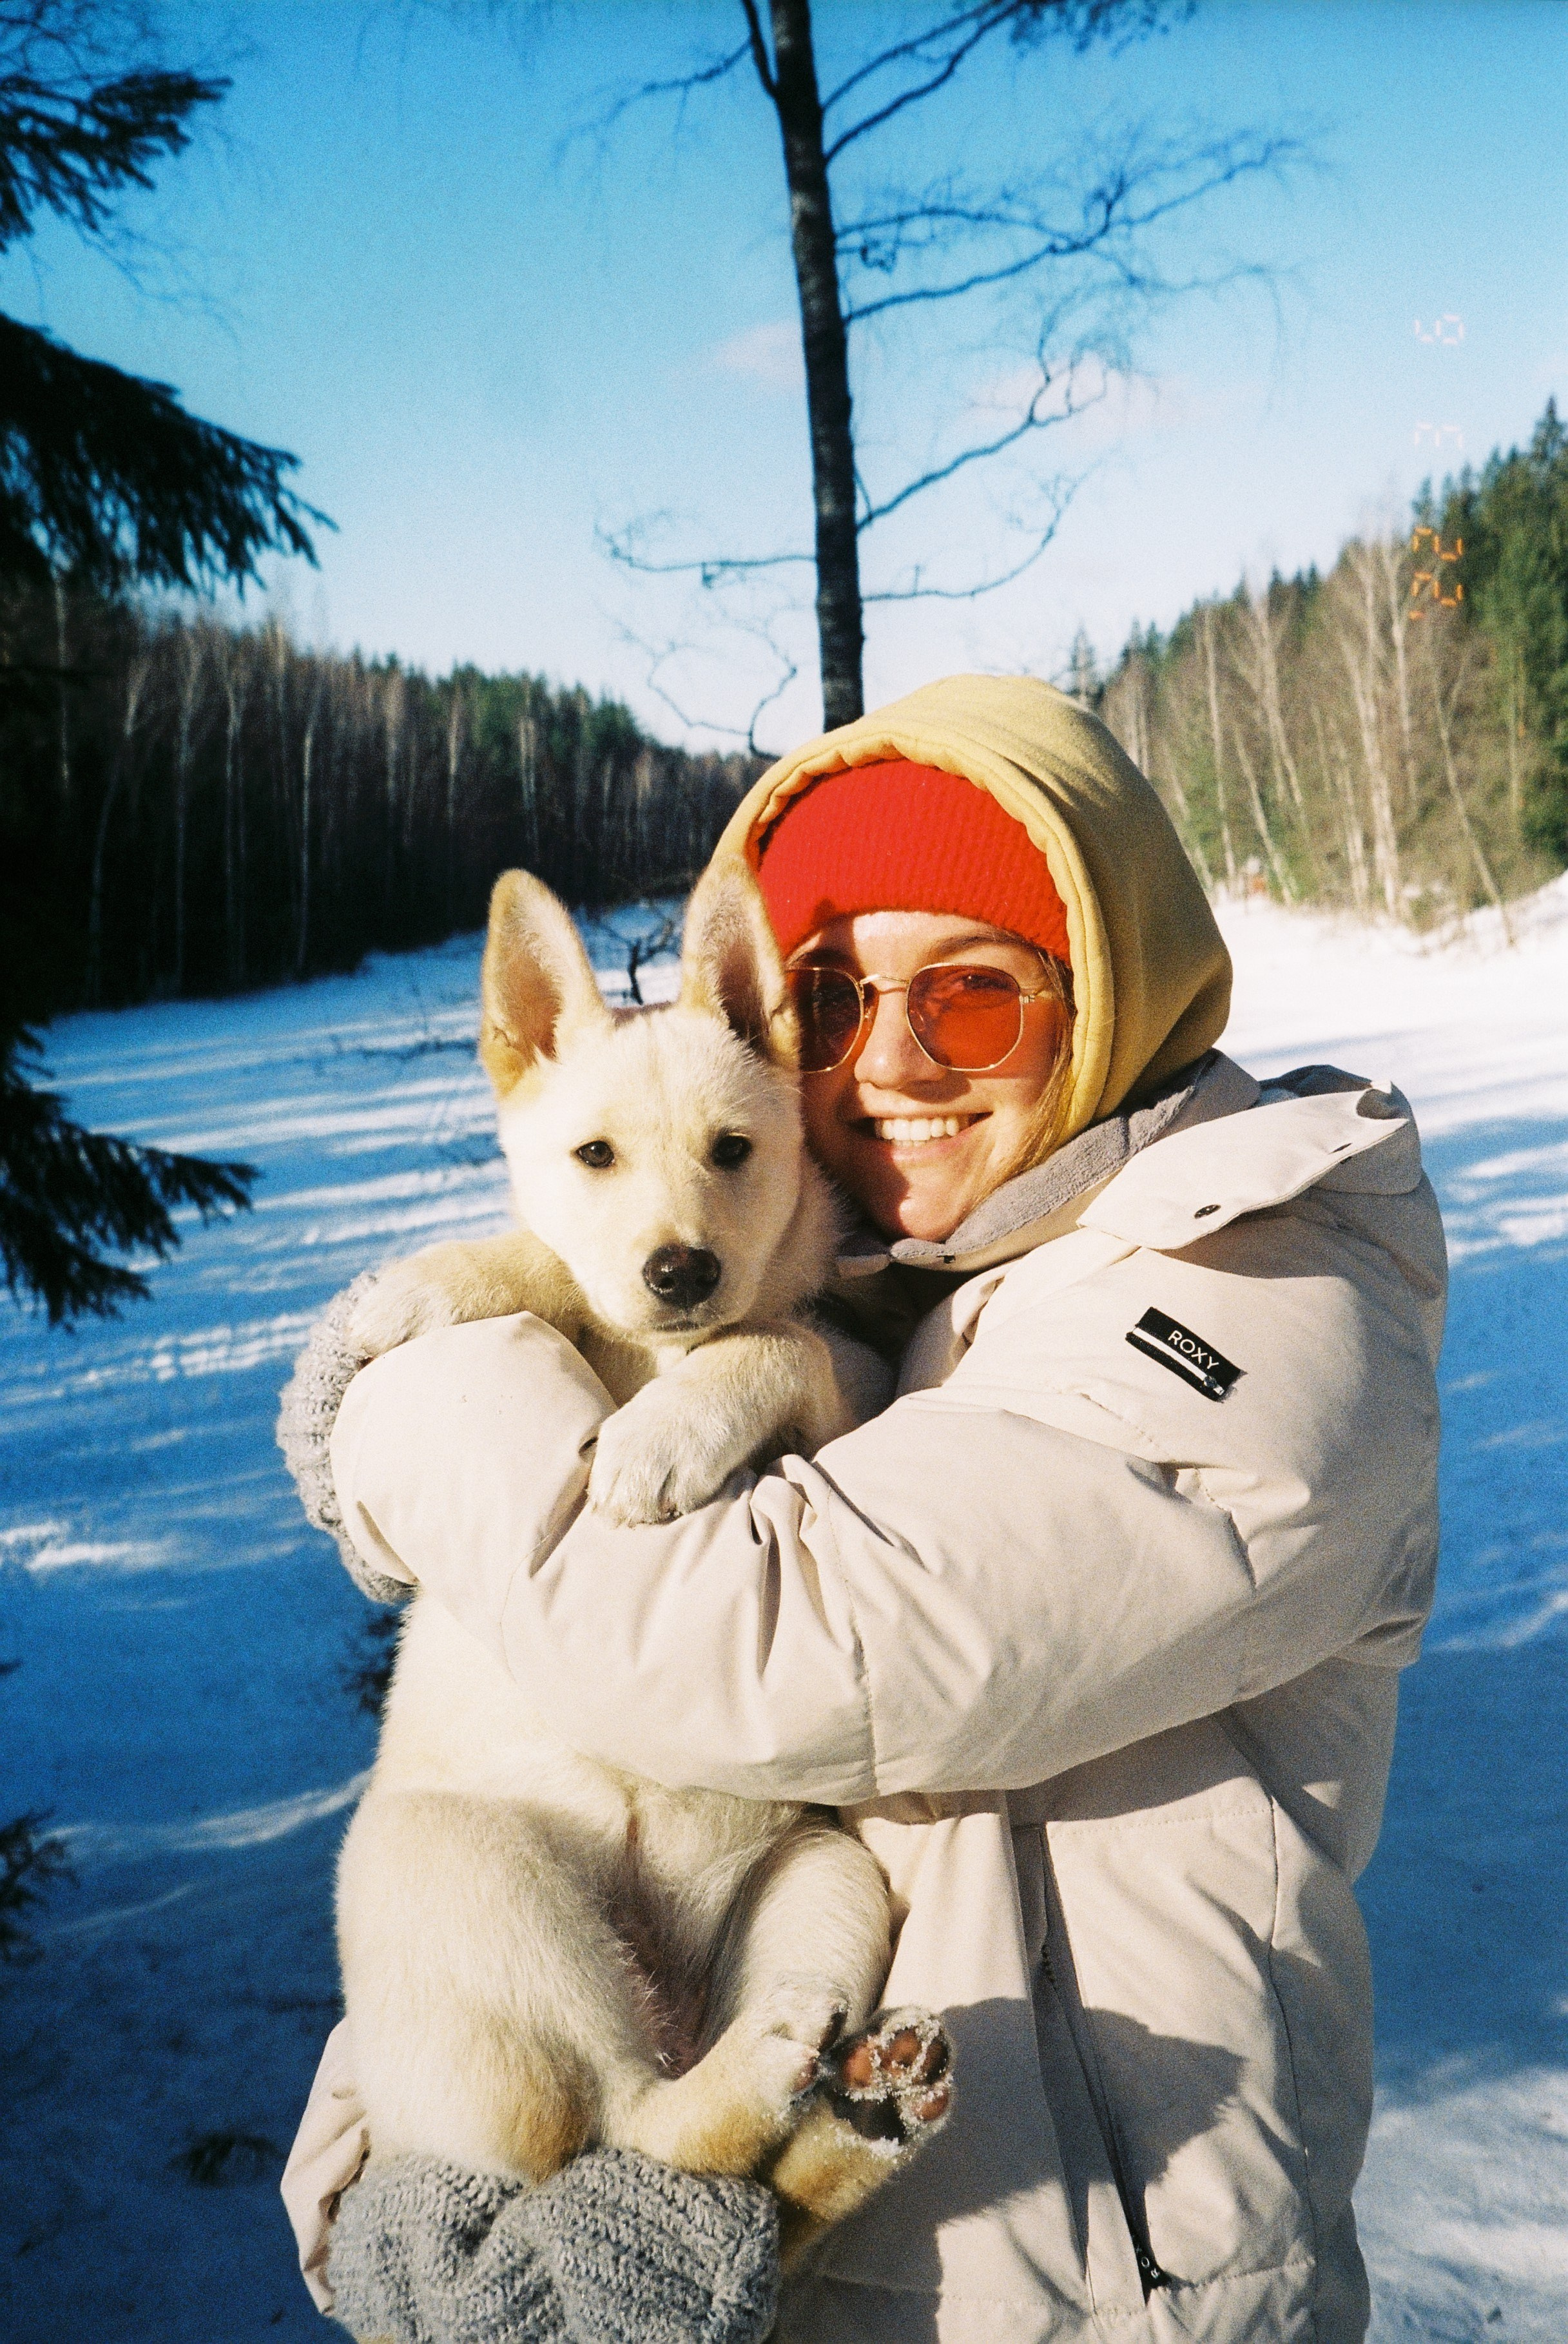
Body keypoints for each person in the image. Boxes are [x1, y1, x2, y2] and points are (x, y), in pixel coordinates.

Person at [288, 673, 1446, 2344]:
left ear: (1108, 995)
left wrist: (406, 1390)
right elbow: (487, 1796)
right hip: (811, 2266)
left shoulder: (1248, 1296)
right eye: (831, 1001)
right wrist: (387, 2172)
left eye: (972, 998)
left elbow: (746, 1651)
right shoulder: (918, 1290)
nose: (888, 1064)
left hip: (1099, 2293)